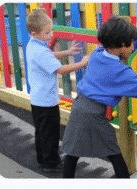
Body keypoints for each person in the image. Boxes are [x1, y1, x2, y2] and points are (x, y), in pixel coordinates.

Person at [61, 17, 137, 178]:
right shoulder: (121, 73)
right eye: (131, 43)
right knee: (114, 152)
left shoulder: (98, 54)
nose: (134, 46)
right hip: (92, 115)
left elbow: (117, 52)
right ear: (122, 44)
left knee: (73, 150)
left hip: (80, 106)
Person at [26, 9, 89, 173]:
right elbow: (61, 70)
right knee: (50, 133)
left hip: (37, 99)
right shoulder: (40, 51)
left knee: (41, 131)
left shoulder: (34, 45)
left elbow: (49, 55)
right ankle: (51, 163)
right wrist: (82, 63)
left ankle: (43, 158)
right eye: (47, 32)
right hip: (46, 100)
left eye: (51, 30)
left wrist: (67, 52)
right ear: (35, 33)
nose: (50, 34)